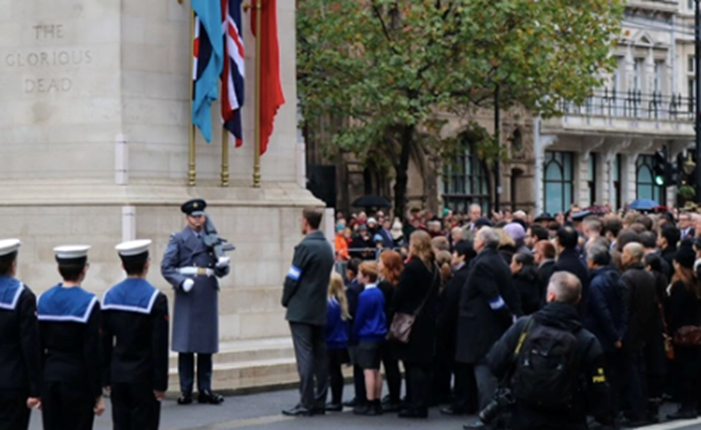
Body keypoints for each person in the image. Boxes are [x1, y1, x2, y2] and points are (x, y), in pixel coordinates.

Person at [488, 272, 609, 430]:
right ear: (578, 299)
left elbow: (495, 362)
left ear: (550, 296)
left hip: (523, 415)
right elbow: (598, 389)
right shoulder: (587, 340)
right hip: (569, 416)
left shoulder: (524, 327)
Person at [161, 199, 229, 405]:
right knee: (187, 344)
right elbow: (167, 267)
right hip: (188, 292)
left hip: (206, 290)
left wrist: (222, 265)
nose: (197, 220)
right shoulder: (179, 239)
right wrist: (181, 282)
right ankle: (186, 389)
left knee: (205, 344)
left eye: (200, 216)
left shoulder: (212, 238)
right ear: (187, 218)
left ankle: (205, 389)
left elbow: (221, 270)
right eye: (194, 217)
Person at [102, 240, 169, 430]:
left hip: (118, 373)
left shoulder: (109, 296)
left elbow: (104, 342)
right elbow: (159, 344)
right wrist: (160, 384)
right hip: (144, 375)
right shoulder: (156, 298)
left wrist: (106, 377)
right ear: (147, 264)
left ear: (123, 266)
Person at [459, 227, 521, 430]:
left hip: (482, 326)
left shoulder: (483, 264)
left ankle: (489, 418)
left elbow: (494, 298)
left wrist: (507, 320)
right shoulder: (497, 260)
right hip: (489, 325)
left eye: (476, 237)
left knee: (485, 373)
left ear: (483, 242)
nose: (473, 240)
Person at [37, 245, 104, 430]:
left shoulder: (43, 299)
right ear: (84, 270)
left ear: (59, 269)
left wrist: (38, 387)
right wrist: (97, 393)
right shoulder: (89, 303)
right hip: (78, 379)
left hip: (50, 376)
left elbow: (36, 346)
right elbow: (92, 351)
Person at [281, 208, 335, 416]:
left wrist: (286, 299)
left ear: (305, 222)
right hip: (319, 306)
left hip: (301, 308)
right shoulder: (326, 248)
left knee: (304, 356)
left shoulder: (304, 247)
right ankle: (320, 399)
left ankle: (306, 401)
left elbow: (293, 277)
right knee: (321, 355)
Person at [390, 230, 440, 418]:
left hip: (412, 320)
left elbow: (401, 293)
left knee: (413, 365)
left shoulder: (413, 267)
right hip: (428, 320)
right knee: (423, 364)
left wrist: (391, 310)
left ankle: (415, 404)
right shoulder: (433, 267)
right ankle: (419, 401)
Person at [0, 239, 41, 430]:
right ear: (13, 265)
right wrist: (35, 387)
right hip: (12, 381)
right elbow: (29, 344)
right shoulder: (23, 296)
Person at [439, 240, 478, 416]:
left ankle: (462, 402)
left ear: (462, 256)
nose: (452, 256)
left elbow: (450, 304)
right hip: (465, 325)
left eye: (455, 253)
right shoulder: (470, 273)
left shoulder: (461, 277)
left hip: (457, 326)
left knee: (461, 367)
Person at [666, 243, 701, 419]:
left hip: (682, 334)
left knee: (685, 372)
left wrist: (670, 330)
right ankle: (694, 404)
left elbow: (675, 311)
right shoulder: (695, 281)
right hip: (696, 332)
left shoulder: (680, 285)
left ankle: (687, 407)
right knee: (695, 370)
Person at [352, 262, 388, 416]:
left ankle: (370, 401)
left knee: (368, 370)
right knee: (376, 369)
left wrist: (354, 332)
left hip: (367, 334)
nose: (358, 276)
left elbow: (360, 317)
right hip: (380, 334)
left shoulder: (364, 295)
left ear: (366, 277)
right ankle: (377, 400)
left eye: (360, 274)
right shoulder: (379, 293)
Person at [377, 251, 404, 412]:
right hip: (395, 326)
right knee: (392, 364)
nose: (378, 264)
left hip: (386, 327)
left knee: (390, 364)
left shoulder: (384, 286)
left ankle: (394, 397)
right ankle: (395, 395)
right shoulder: (397, 283)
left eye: (380, 262)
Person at [324, 272, 350, 412]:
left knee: (333, 371)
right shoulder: (342, 301)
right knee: (336, 371)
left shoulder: (330, 304)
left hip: (331, 340)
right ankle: (336, 399)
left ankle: (336, 401)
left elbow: (328, 324)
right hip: (341, 339)